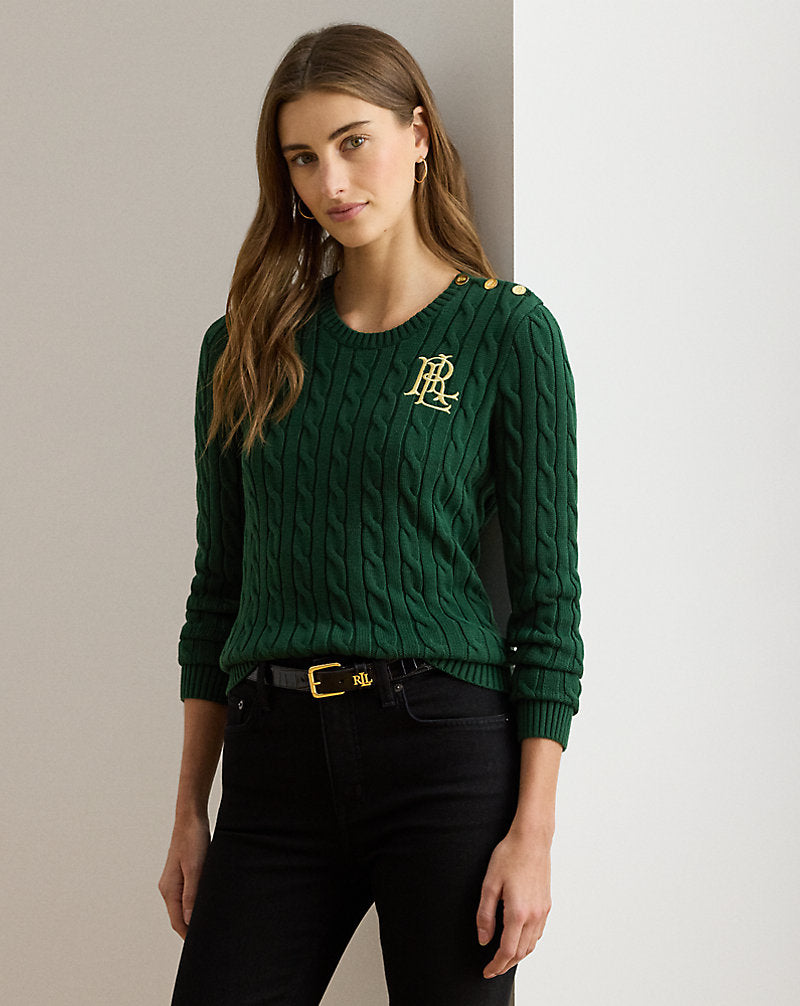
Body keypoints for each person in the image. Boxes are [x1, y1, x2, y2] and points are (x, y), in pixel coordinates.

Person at [159, 21, 583, 1006]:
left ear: (418, 133)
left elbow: (548, 605)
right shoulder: (244, 345)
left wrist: (532, 834)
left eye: (354, 141)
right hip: (271, 761)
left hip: (440, 752)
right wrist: (188, 809)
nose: (331, 180)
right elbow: (217, 590)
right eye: (302, 157)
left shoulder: (505, 331)